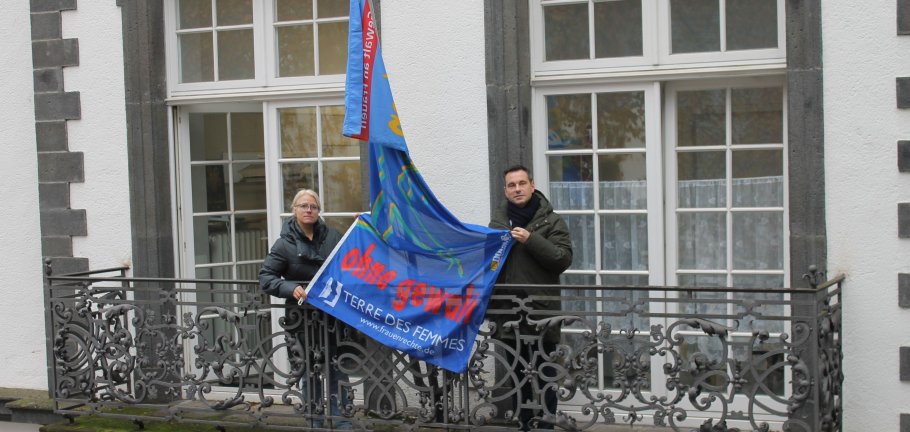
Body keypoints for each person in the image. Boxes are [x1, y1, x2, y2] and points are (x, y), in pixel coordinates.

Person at [488, 165, 573, 431]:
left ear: (532, 185)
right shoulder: (498, 223)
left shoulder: (552, 221)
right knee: (517, 377)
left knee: (546, 374)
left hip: (541, 313)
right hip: (509, 312)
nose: (517, 189)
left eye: (522, 183)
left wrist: (531, 239)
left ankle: (546, 425)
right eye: (511, 185)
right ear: (505, 190)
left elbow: (562, 259)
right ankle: (524, 425)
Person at [259, 189, 351, 429]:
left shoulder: (332, 237)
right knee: (310, 373)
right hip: (302, 320)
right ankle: (315, 422)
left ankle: (342, 422)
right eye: (303, 206)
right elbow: (266, 278)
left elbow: (349, 264)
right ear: (295, 210)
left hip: (332, 317)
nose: (309, 210)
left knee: (336, 369)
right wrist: (291, 288)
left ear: (318, 211)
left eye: (313, 206)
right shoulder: (284, 244)